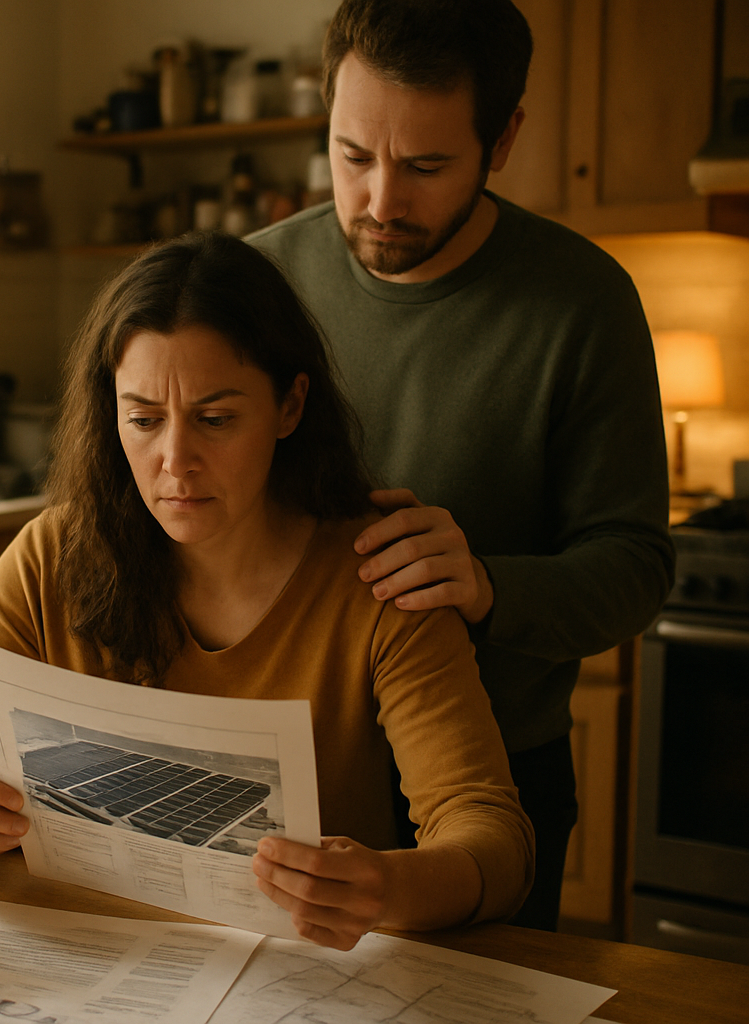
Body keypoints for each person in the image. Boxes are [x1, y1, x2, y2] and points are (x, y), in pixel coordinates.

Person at [0, 232, 534, 951]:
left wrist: (389, 887)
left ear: (290, 406)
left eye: (216, 420)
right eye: (144, 419)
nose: (175, 461)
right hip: (88, 963)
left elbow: (493, 837)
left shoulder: (379, 574)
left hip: (308, 977)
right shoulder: (50, 556)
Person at [250, 0, 674, 931]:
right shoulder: (255, 285)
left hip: (493, 787)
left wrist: (486, 587)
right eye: (353, 155)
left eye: (427, 165)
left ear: (505, 135)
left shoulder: (585, 302)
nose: (380, 201)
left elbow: (638, 567)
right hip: (280, 779)